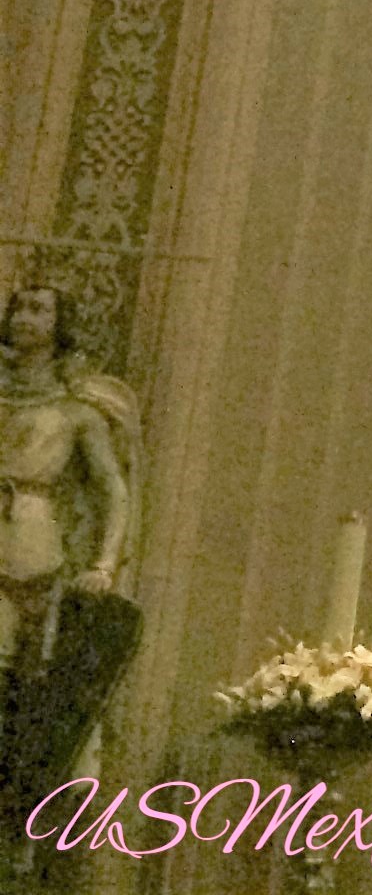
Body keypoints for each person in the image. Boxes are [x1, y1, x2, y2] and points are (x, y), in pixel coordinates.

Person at [0, 284, 142, 831]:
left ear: (60, 326)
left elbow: (114, 491)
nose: (26, 318)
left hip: (25, 550)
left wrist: (104, 564)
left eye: (40, 310)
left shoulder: (77, 413)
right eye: (20, 307)